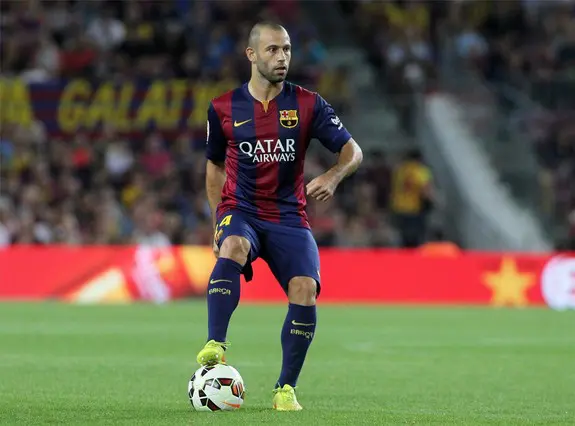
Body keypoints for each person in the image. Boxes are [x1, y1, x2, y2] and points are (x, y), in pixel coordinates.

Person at [197, 21, 363, 411]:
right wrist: (218, 221)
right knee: (233, 245)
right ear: (251, 54)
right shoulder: (223, 107)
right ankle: (215, 343)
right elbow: (215, 167)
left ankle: (285, 389)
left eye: (286, 49)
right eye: (272, 49)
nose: (282, 57)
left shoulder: (308, 104)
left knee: (305, 288)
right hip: (241, 209)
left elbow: (353, 151)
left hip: (288, 217)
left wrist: (332, 176)